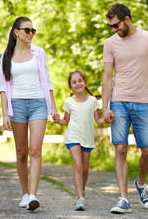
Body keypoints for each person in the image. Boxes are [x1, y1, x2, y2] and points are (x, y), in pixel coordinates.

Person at [102, 4, 148, 214]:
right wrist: (104, 106)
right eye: (111, 26)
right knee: (120, 148)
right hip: (118, 100)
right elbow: (107, 76)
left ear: (127, 19)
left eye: (116, 25)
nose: (114, 30)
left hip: (143, 102)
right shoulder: (109, 44)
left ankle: (140, 183)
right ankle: (123, 199)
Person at [0, 17, 59, 211]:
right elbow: (3, 87)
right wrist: (5, 113)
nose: (31, 33)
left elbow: (47, 82)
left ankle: (33, 195)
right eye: (27, 30)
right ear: (16, 32)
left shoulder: (39, 53)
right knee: (21, 152)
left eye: (33, 30)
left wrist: (53, 107)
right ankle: (24, 193)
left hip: (38, 104)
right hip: (16, 105)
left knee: (35, 150)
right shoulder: (6, 56)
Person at [53, 70, 105, 211]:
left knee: (85, 169)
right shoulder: (69, 102)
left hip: (87, 138)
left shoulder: (93, 101)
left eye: (80, 80)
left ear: (85, 82)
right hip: (73, 137)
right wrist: (58, 120)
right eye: (74, 82)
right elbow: (66, 121)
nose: (77, 84)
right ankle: (80, 197)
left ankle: (82, 189)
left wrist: (106, 119)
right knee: (78, 165)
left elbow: (98, 120)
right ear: (70, 87)